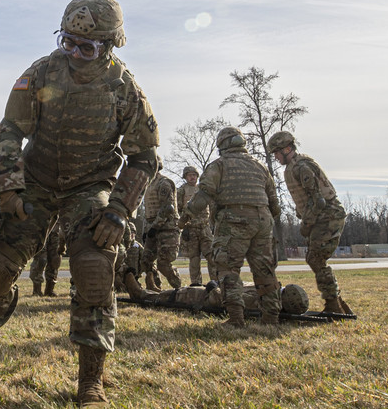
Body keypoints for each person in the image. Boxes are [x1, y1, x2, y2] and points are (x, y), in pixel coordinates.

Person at [0, 0, 159, 407]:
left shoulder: (125, 88)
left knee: (94, 264)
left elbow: (145, 156)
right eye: (68, 43)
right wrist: (9, 186)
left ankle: (91, 381)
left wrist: (118, 210)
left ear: (111, 46)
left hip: (89, 185)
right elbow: (10, 129)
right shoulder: (43, 71)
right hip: (38, 181)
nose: (76, 54)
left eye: (88, 47)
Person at [187, 127, 281, 328]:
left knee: (227, 268)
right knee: (265, 269)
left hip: (234, 220)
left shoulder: (219, 166)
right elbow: (275, 203)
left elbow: (202, 197)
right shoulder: (260, 166)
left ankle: (236, 318)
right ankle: (271, 318)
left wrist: (185, 216)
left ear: (222, 145)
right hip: (263, 220)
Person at [268, 131, 351, 314]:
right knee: (315, 258)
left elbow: (318, 200)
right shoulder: (293, 168)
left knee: (315, 258)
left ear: (287, 149)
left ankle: (333, 304)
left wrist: (307, 223)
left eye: (277, 153)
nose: (276, 157)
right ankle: (338, 303)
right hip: (321, 217)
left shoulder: (302, 167)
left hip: (328, 215)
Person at [124, 278, 310, 317]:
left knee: (174, 296)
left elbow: (223, 300)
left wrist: (213, 288)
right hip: (214, 289)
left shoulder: (258, 303)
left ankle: (142, 296)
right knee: (179, 292)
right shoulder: (265, 298)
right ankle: (148, 293)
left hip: (204, 298)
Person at [141, 172, 182, 291]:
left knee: (163, 264)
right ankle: (154, 288)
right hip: (153, 228)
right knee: (146, 260)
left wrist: (155, 226)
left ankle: (178, 288)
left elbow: (167, 208)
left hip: (167, 228)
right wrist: (146, 230)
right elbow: (148, 212)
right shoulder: (148, 184)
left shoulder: (163, 183)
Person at [177, 165, 214, 286]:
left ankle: (215, 281)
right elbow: (178, 209)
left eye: (194, 175)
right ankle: (196, 283)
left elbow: (212, 206)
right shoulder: (182, 190)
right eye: (189, 175)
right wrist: (183, 226)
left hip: (205, 227)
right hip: (191, 228)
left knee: (211, 255)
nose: (192, 177)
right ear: (185, 177)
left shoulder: (203, 190)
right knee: (194, 258)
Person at [29, 212, 71, 296]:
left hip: (57, 228)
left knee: (55, 259)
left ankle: (49, 290)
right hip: (41, 224)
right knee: (41, 259)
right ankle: (36, 291)